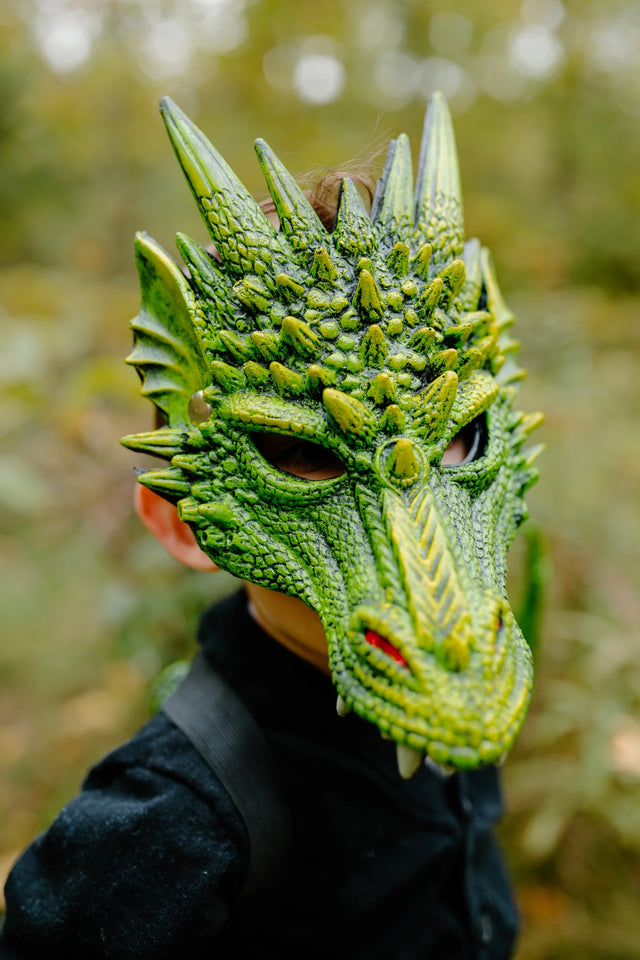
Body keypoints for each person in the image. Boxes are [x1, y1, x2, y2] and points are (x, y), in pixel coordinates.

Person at [0, 91, 542, 959]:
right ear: (178, 524)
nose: (422, 567)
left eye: (460, 440)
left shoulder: (463, 665)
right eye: (307, 459)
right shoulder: (165, 824)